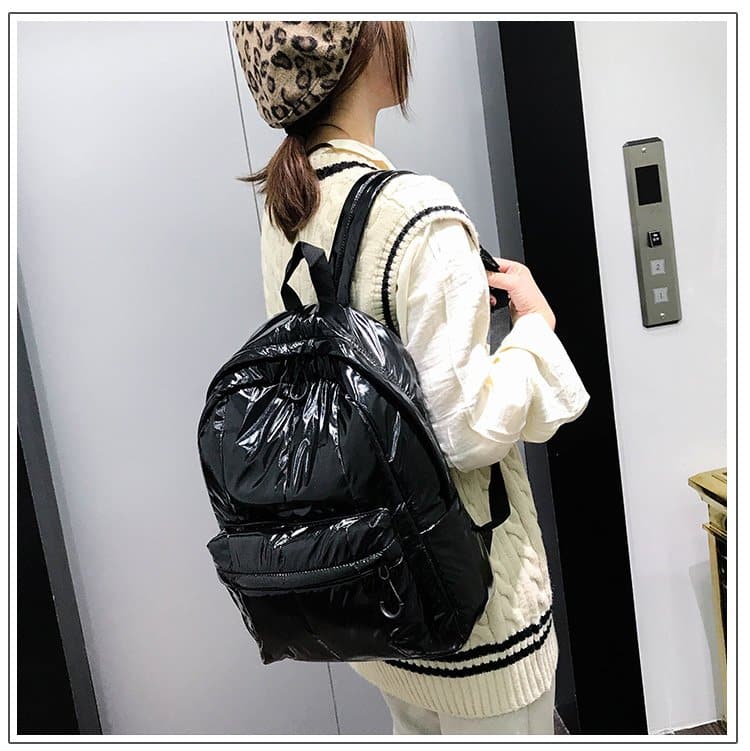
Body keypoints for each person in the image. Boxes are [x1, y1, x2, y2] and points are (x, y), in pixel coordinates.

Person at [231, 20, 590, 736]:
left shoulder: (286, 203)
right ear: (360, 45)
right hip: (473, 607)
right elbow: (468, 431)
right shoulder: (418, 212)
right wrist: (534, 329)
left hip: (378, 593)